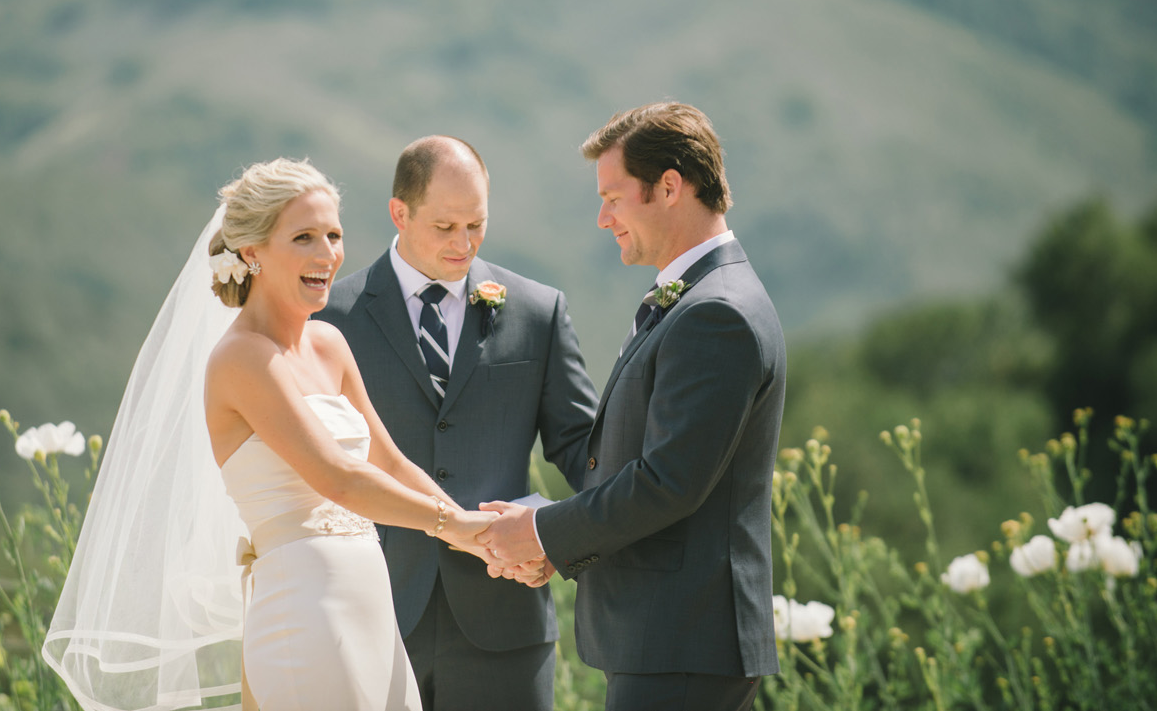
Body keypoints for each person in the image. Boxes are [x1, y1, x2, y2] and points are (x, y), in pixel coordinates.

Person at [44, 158, 495, 711]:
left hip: (369, 604)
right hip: (304, 612)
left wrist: (480, 535)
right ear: (252, 251)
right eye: (304, 237)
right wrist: (457, 526)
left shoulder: (329, 344)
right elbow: (341, 478)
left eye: (334, 235)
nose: (327, 254)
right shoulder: (240, 358)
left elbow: (390, 462)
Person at [479, 102, 786, 711]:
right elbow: (628, 460)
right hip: (672, 642)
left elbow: (668, 482)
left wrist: (541, 532)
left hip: (682, 642)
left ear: (669, 187)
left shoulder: (714, 313)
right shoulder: (697, 298)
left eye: (614, 198)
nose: (602, 218)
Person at [313, 136, 598, 711]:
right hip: (371, 611)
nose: (463, 244)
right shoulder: (329, 317)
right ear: (400, 212)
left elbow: (583, 451)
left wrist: (555, 529)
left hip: (506, 620)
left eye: (477, 225)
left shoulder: (538, 312)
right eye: (445, 227)